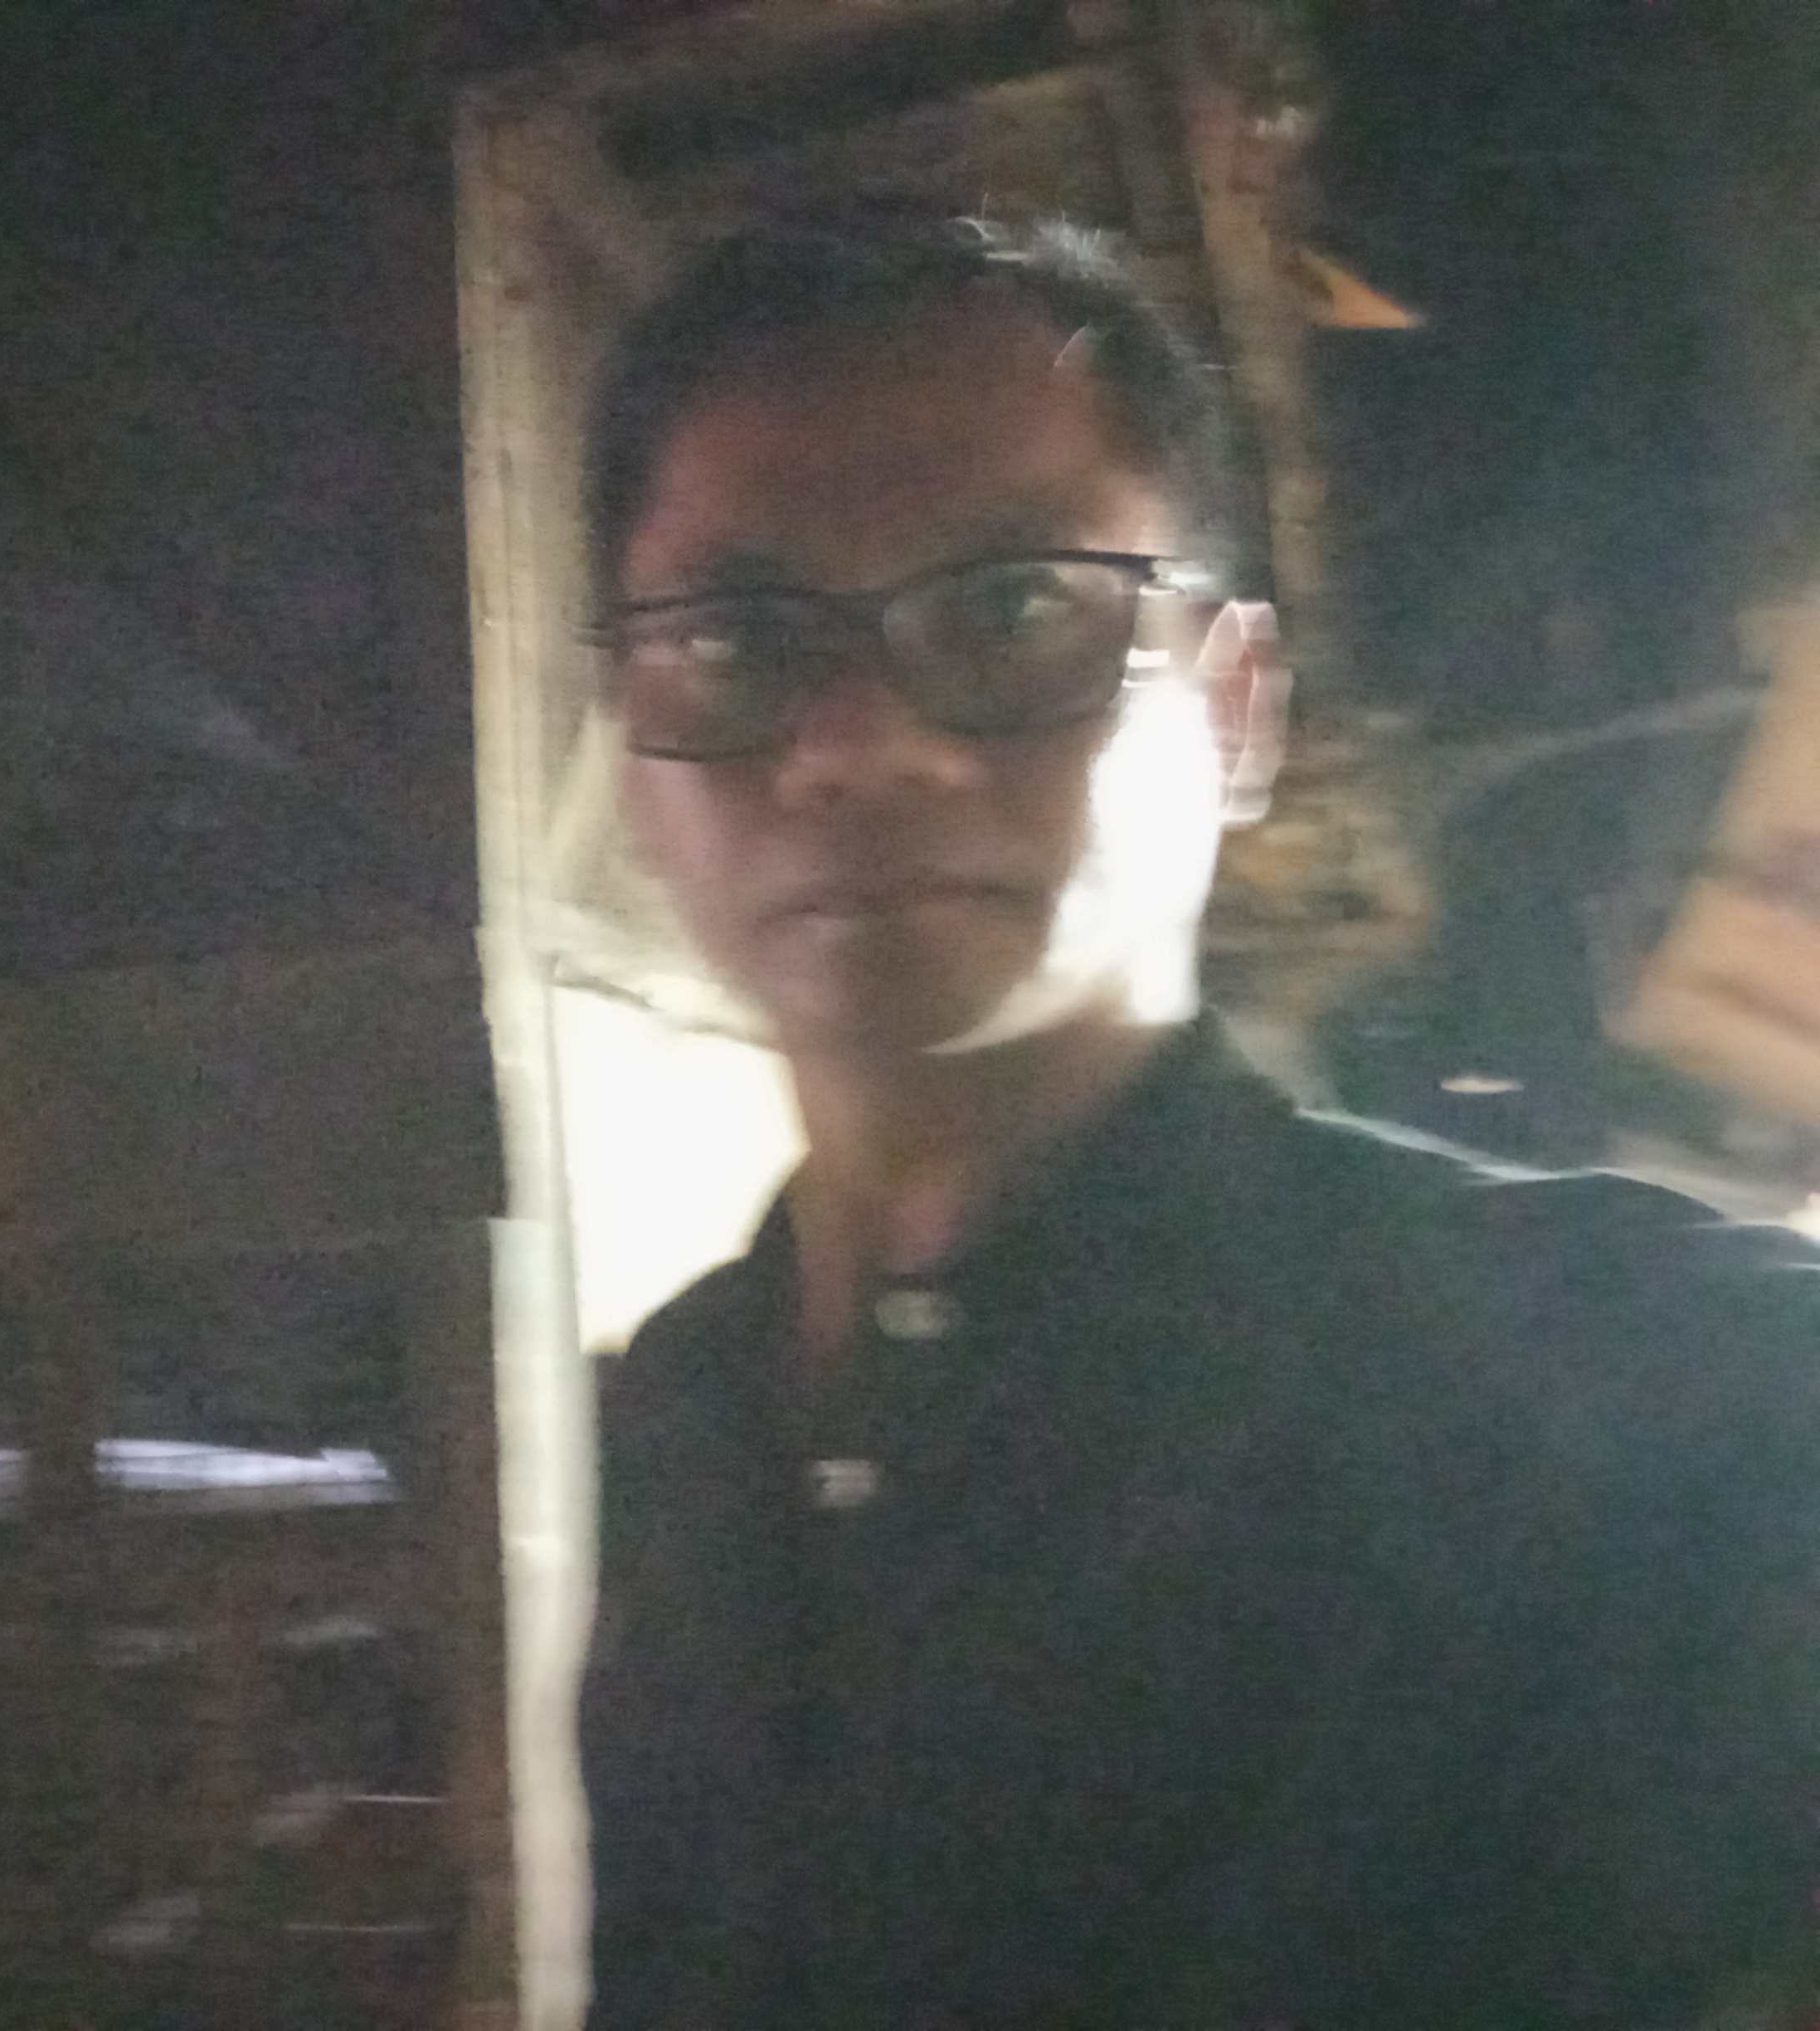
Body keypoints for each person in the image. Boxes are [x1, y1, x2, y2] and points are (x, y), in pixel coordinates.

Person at [575, 210, 1820, 2031]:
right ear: (631, 731)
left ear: (1235, 711)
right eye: (736, 639)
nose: (858, 746)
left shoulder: (1639, 1389)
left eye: (1015, 610)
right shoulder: (680, 1415)